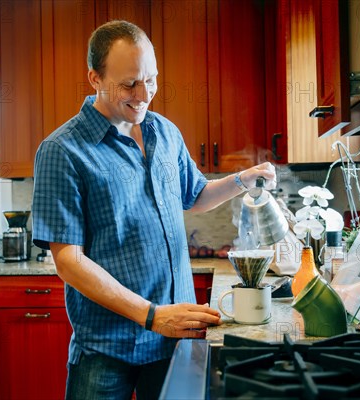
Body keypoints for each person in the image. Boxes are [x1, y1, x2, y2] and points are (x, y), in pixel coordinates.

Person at [32, 20, 277, 400]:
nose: (145, 94)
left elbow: (194, 196)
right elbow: (68, 261)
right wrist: (152, 315)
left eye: (152, 79)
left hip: (174, 340)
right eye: (129, 83)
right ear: (94, 78)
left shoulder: (164, 132)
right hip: (106, 348)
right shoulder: (62, 151)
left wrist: (242, 180)